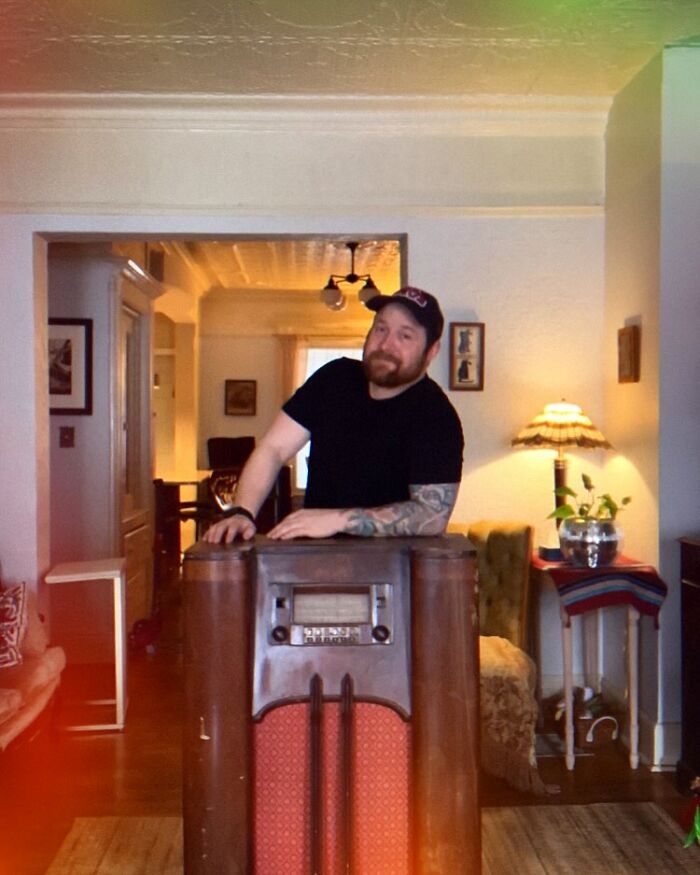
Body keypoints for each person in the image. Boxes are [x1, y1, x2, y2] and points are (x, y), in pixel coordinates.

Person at [204, 286, 464, 544]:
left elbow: (432, 515)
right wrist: (242, 512)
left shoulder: (437, 418)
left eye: (405, 336)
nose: (386, 344)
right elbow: (274, 448)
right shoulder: (334, 379)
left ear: (432, 351)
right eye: (381, 328)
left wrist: (339, 520)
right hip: (315, 561)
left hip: (391, 573)